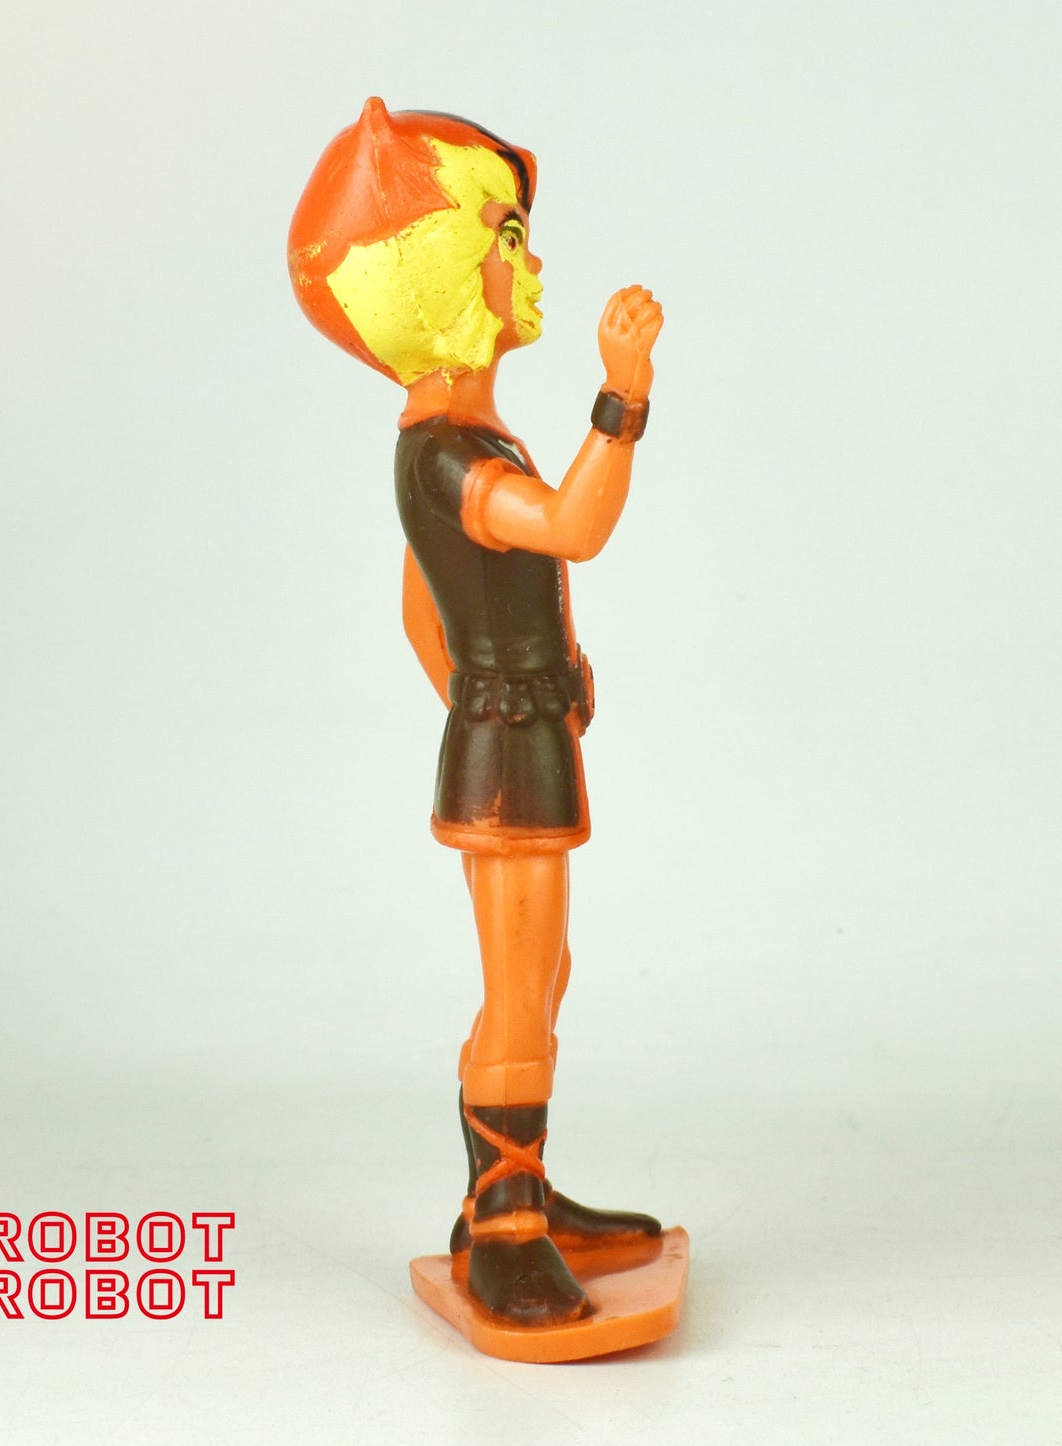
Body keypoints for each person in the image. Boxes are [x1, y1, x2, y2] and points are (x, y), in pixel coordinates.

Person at [290, 99, 664, 1326]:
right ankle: (502, 1227)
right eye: (505, 235)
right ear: (435, 273)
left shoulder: (449, 438)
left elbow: (420, 612)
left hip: (509, 735)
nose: (530, 259)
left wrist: (503, 688)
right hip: (509, 751)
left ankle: (514, 1189)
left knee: (543, 970)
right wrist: (620, 400)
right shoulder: (451, 455)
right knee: (518, 985)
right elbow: (572, 529)